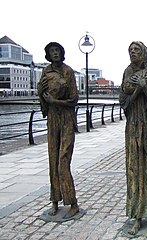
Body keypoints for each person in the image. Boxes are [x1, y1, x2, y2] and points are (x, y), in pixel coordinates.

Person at [119, 41, 147, 235]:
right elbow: (124, 102)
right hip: (134, 127)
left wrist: (145, 88)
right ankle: (137, 216)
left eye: (136, 50)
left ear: (144, 52)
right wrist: (139, 89)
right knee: (135, 168)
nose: (133, 53)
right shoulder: (127, 72)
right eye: (130, 50)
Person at [37, 42, 79, 219]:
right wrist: (40, 92)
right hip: (53, 119)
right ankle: (55, 200)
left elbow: (74, 99)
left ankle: (72, 203)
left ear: (62, 53)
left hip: (66, 119)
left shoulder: (68, 71)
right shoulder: (46, 72)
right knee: (53, 159)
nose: (55, 53)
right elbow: (43, 97)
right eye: (51, 51)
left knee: (63, 160)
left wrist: (56, 102)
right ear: (48, 54)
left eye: (57, 50)